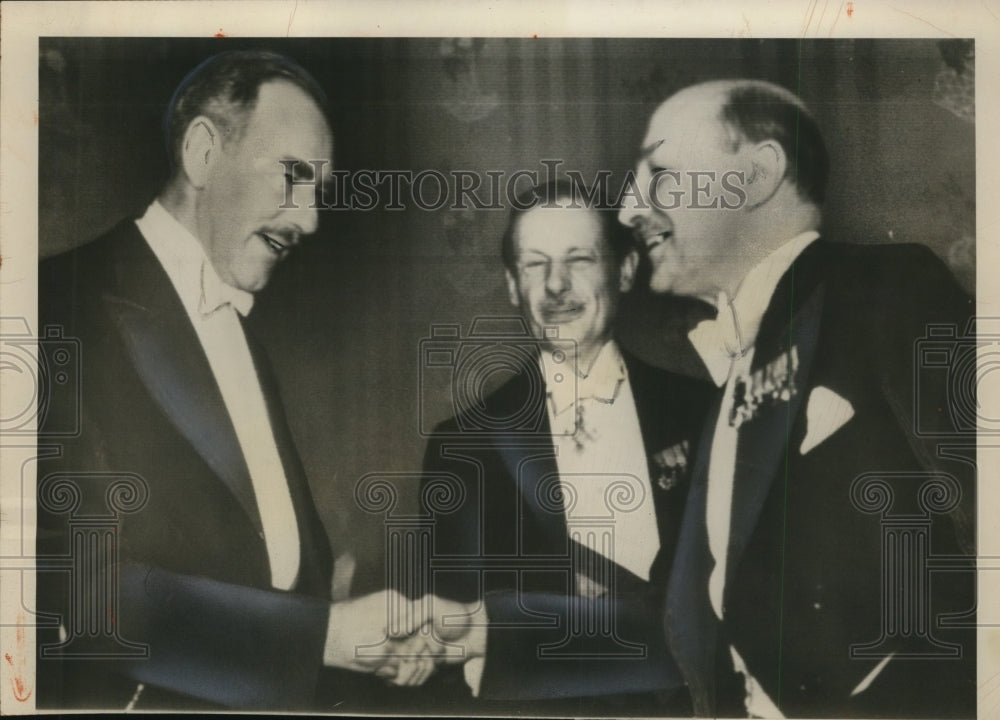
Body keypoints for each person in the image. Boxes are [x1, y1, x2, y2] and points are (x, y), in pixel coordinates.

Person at [36, 50, 429, 711]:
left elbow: (268, 574)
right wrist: (322, 636)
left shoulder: (244, 337)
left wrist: (359, 633)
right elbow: (71, 585)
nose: (309, 219)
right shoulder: (50, 305)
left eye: (318, 192)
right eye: (292, 177)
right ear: (201, 153)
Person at [618, 79, 976, 718]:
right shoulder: (719, 376)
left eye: (662, 175)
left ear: (759, 173)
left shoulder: (889, 292)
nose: (628, 207)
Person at [418, 179, 714, 713]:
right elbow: (453, 645)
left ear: (623, 271)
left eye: (578, 259)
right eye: (534, 265)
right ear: (512, 285)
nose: (556, 285)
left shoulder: (703, 411)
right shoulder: (462, 447)